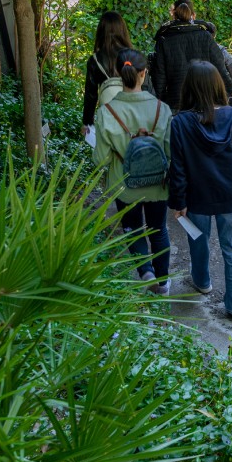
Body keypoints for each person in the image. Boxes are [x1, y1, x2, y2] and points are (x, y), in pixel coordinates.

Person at [168, 60, 232, 321]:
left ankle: (202, 281)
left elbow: (179, 168)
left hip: (198, 196)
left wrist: (178, 201)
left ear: (189, 89)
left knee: (198, 239)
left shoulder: (180, 123)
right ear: (218, 85)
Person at [92, 49, 173, 294]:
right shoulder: (162, 109)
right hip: (158, 184)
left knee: (133, 228)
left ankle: (145, 270)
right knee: (159, 229)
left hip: (124, 184)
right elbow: (170, 150)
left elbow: (101, 160)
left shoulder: (106, 112)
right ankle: (163, 281)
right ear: (143, 73)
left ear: (118, 73)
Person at [152, 0, 232, 109]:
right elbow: (219, 66)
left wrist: (161, 101)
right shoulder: (205, 36)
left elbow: (159, 76)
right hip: (206, 100)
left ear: (173, 15)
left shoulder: (163, 40)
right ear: (193, 15)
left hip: (177, 102)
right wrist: (229, 90)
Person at [81, 11, 134, 137]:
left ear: (101, 31)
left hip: (108, 116)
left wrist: (87, 122)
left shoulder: (95, 60)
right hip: (132, 115)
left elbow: (91, 95)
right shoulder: (133, 56)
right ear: (122, 30)